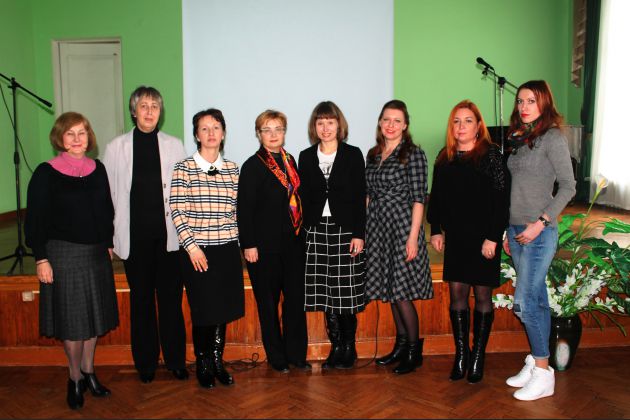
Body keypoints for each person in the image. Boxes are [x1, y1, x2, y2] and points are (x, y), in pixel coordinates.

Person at [25, 112, 119, 409]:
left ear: (89, 137)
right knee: (73, 322)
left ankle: (89, 372)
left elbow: (106, 210)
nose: (78, 139)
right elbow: (35, 219)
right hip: (63, 254)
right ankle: (74, 377)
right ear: (60, 138)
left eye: (82, 132)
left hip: (96, 253)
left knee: (93, 320)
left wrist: (107, 242)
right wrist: (41, 258)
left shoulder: (97, 169)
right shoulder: (46, 172)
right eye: (71, 133)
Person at [103, 86, 188, 383]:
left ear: (160, 112)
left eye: (154, 106)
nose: (149, 111)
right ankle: (146, 364)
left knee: (170, 302)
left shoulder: (174, 145)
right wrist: (108, 236)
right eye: (144, 106)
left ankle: (176, 360)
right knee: (141, 303)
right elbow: (108, 195)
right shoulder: (116, 147)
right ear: (134, 111)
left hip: (169, 239)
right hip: (134, 239)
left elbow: (182, 191)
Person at [503, 80, 576, 401]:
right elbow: (514, 189)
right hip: (516, 231)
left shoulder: (553, 137)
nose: (523, 106)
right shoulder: (521, 138)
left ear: (544, 103)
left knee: (525, 303)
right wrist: (507, 230)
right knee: (539, 300)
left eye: (531, 101)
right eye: (520, 101)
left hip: (540, 232)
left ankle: (544, 373)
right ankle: (536, 360)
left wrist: (541, 223)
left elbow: (569, 186)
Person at [427, 100, 509, 383]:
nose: (461, 126)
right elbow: (436, 197)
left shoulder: (492, 156)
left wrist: (493, 237)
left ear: (478, 126)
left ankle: (478, 357)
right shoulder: (445, 157)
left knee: (483, 297)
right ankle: (462, 354)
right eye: (456, 121)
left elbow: (501, 201)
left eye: (467, 121)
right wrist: (435, 229)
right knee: (457, 296)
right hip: (457, 239)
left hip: (484, 239)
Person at [170, 108, 245, 388]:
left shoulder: (233, 169)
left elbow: (237, 212)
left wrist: (238, 242)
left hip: (226, 250)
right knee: (203, 310)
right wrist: (192, 247)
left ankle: (217, 361)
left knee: (222, 309)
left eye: (216, 127)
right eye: (204, 128)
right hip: (197, 252)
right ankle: (203, 363)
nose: (211, 133)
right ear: (196, 135)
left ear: (223, 133)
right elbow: (177, 210)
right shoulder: (184, 167)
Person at [237, 109, 309, 373]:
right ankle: (277, 358)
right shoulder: (252, 165)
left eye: (278, 129)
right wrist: (249, 244)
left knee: (295, 303)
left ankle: (296, 355)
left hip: (293, 245)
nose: (273, 134)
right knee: (268, 306)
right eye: (267, 130)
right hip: (263, 249)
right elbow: (244, 209)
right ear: (259, 134)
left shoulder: (291, 161)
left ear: (284, 132)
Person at [365, 100, 433, 374]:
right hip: (378, 229)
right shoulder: (373, 154)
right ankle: (401, 346)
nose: (390, 125)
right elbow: (368, 194)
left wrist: (413, 237)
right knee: (392, 291)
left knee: (402, 292)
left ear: (405, 125)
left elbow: (418, 198)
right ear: (380, 123)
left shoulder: (413, 154)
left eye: (396, 120)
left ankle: (414, 352)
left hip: (403, 227)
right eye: (386, 119)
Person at [298, 101, 366, 370]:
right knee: (327, 293)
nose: (325, 128)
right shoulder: (305, 156)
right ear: (314, 127)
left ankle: (349, 347)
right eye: (320, 123)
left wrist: (359, 234)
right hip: (316, 230)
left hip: (345, 231)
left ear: (339, 125)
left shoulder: (353, 154)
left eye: (330, 122)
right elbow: (302, 198)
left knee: (345, 292)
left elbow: (360, 196)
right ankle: (336, 347)